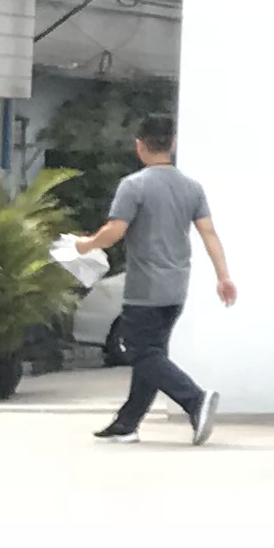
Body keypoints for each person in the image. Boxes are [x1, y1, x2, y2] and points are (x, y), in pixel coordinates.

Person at [79, 117, 234, 444]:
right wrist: (223, 276)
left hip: (145, 288)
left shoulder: (133, 185)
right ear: (172, 144)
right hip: (176, 287)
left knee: (141, 352)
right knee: (152, 354)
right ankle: (127, 424)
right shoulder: (192, 187)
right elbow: (209, 233)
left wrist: (86, 244)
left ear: (139, 145)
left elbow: (115, 231)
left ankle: (195, 400)